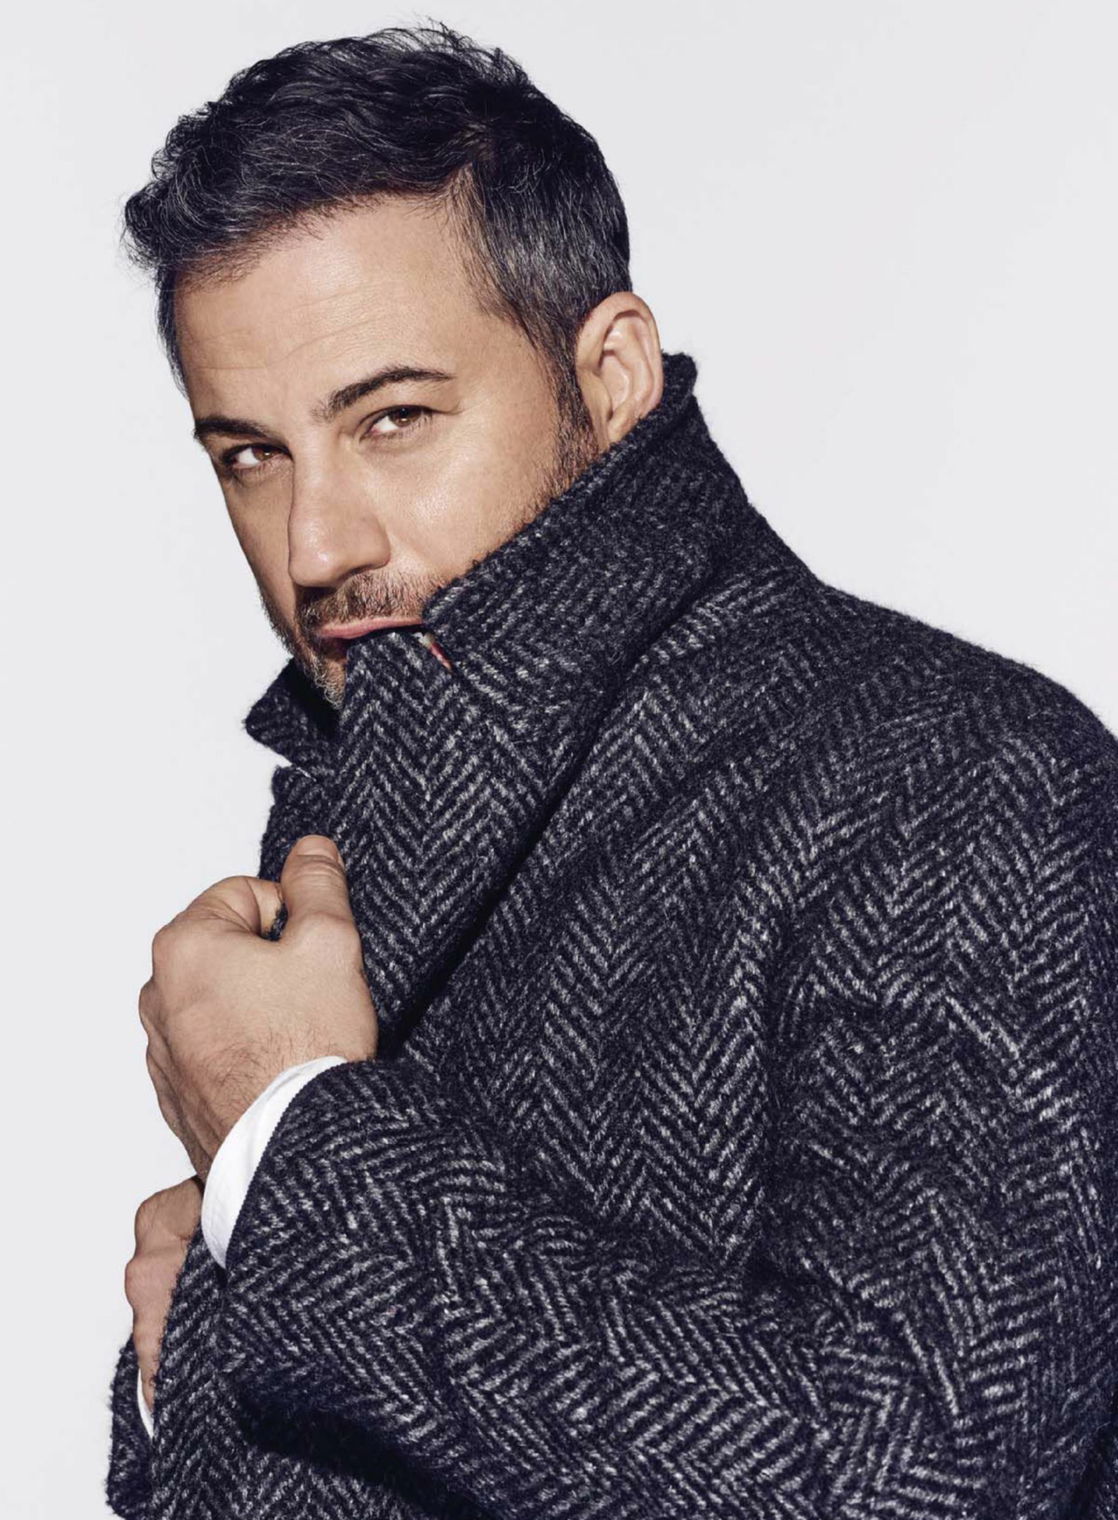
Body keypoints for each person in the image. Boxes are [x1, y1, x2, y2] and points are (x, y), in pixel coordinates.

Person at [107, 21, 1118, 1520]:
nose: (316, 544)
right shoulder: (370, 801)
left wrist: (290, 1141)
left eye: (394, 420)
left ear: (613, 373)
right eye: (250, 455)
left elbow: (917, 1468)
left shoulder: (955, 775)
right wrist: (179, 1375)